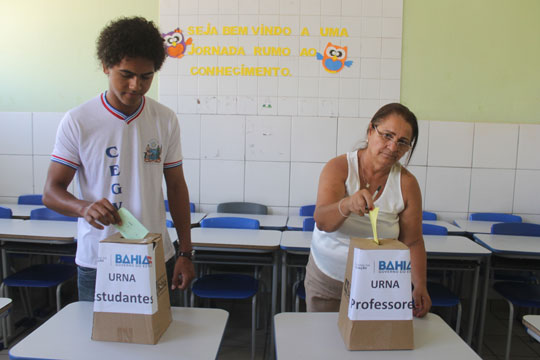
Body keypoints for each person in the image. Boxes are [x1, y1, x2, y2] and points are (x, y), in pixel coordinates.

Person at [42, 16, 195, 302]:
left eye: (147, 76)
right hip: (99, 259)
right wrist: (83, 207)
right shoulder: (79, 120)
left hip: (155, 254)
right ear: (106, 66)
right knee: (100, 343)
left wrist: (186, 252)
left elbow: (176, 188)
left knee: (160, 341)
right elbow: (51, 193)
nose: (137, 85)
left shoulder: (165, 119)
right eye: (126, 74)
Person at [305, 103, 431, 317]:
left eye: (402, 142)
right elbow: (323, 222)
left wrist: (419, 284)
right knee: (323, 344)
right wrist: (346, 205)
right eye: (387, 136)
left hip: (378, 284)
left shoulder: (407, 184)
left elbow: (413, 241)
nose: (392, 148)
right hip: (329, 279)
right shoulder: (339, 167)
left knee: (371, 345)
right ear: (371, 131)